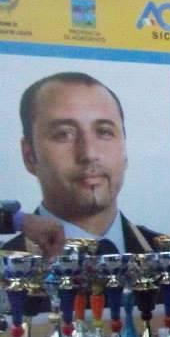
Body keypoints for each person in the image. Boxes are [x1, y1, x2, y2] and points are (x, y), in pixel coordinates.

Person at [5, 72, 159, 255]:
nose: (89, 154)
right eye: (63, 134)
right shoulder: (5, 265)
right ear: (29, 156)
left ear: (124, 150)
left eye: (104, 132)